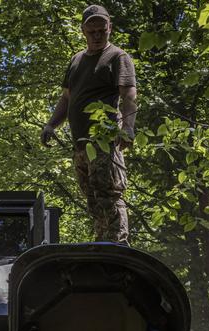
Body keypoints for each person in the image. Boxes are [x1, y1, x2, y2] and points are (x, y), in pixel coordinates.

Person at [41, 4, 137, 245]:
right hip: (81, 144)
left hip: (104, 139)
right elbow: (67, 98)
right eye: (91, 30)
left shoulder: (117, 57)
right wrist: (51, 125)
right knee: (92, 196)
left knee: (108, 193)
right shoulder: (76, 60)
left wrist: (127, 128)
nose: (96, 35)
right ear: (83, 31)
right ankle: (102, 241)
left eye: (101, 30)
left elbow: (128, 95)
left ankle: (117, 244)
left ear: (109, 28)